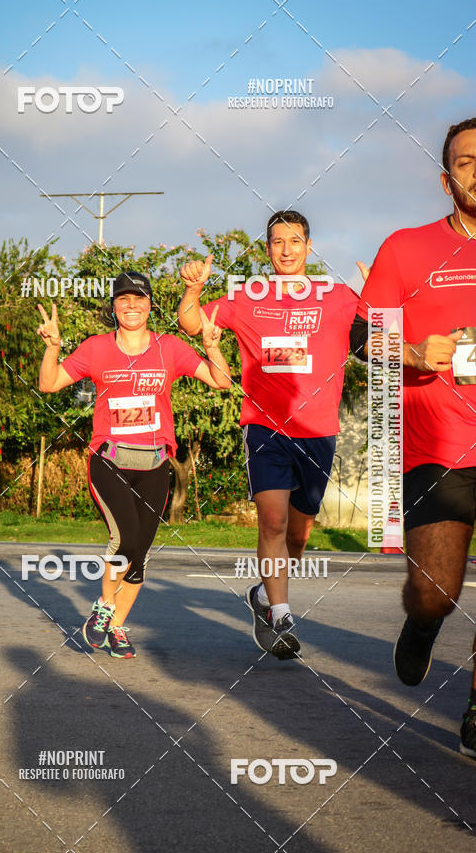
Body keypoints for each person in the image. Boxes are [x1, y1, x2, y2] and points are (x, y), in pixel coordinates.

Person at [350, 117, 476, 759]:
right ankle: (423, 622)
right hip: (437, 446)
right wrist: (414, 352)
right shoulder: (405, 249)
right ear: (446, 179)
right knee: (436, 590)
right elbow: (360, 338)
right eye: (466, 161)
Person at [178, 212, 358, 659]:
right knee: (272, 522)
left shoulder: (337, 296)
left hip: (318, 432)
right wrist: (193, 289)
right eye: (278, 242)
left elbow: (379, 332)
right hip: (264, 428)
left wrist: (380, 293)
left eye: (295, 241)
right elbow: (192, 323)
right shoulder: (246, 298)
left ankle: (261, 593)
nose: (286, 249)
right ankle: (281, 616)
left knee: (297, 537)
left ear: (309, 246)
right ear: (267, 249)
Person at [37, 271, 231, 658]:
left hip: (155, 464)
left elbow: (220, 380)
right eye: (123, 299)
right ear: (113, 306)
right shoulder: (96, 348)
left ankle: (117, 628)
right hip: (109, 459)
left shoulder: (169, 347)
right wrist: (53, 348)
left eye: (139, 299)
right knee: (124, 539)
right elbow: (49, 383)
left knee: (138, 555)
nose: (131, 306)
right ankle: (104, 608)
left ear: (150, 306)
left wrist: (211, 347)